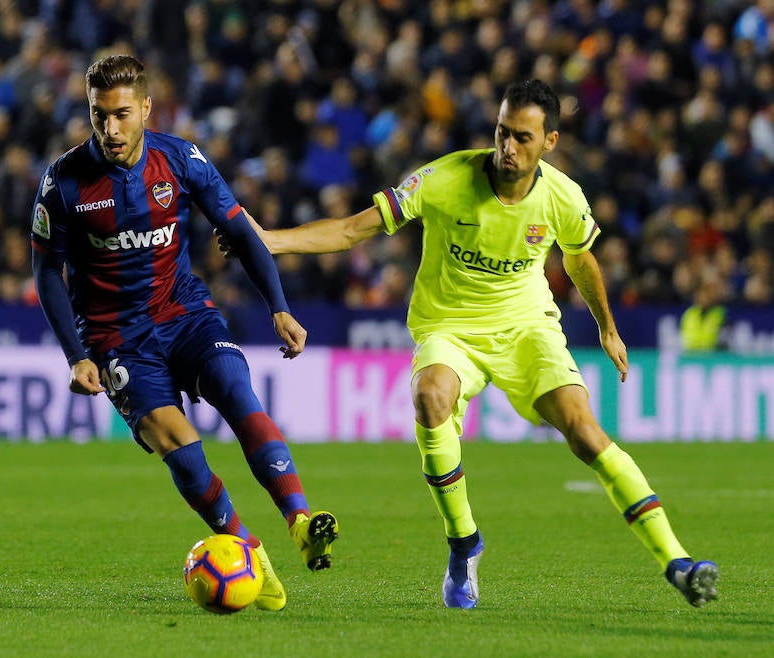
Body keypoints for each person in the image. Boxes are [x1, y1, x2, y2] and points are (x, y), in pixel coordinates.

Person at [221, 79, 718, 609]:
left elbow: (579, 257)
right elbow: (351, 230)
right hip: (449, 329)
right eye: (503, 132)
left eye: (522, 138)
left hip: (527, 327)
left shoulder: (564, 197)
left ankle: (677, 562)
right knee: (430, 395)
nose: (508, 147)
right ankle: (464, 543)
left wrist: (608, 328)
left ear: (549, 141)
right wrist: (270, 239)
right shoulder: (444, 178)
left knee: (586, 432)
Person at [29, 54, 338, 612]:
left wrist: (279, 308)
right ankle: (247, 547)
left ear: (146, 108)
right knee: (181, 448)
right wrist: (76, 356)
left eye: (122, 114)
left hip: (185, 314)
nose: (111, 128)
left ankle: (300, 520)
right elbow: (48, 270)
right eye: (99, 116)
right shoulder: (63, 182)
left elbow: (240, 229)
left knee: (237, 392)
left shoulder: (180, 160)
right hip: (117, 339)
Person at [680, 273, 728, 351]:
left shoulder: (720, 314)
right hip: (690, 354)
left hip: (712, 355)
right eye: (700, 295)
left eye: (706, 295)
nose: (702, 298)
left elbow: (724, 339)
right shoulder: (689, 313)